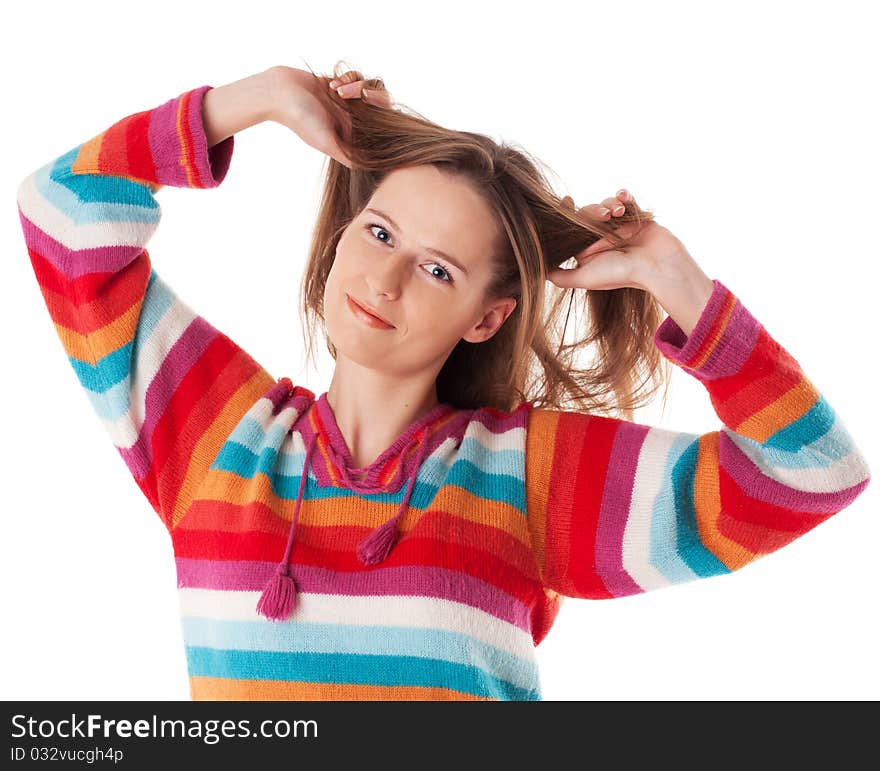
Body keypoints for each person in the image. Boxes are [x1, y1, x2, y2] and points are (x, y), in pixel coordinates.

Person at [15, 62, 871, 701]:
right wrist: (260, 99)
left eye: (437, 270)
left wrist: (679, 283)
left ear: (486, 318)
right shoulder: (216, 436)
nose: (384, 282)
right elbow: (63, 212)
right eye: (380, 233)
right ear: (346, 230)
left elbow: (812, 473)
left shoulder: (521, 473)